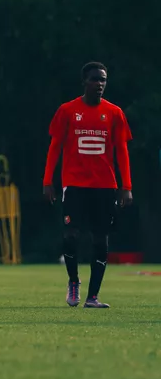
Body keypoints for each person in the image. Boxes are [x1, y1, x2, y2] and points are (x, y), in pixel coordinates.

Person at [43, 62, 132, 309]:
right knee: (71, 236)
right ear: (84, 82)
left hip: (104, 186)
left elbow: (122, 151)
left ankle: (93, 297)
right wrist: (47, 181)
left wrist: (127, 186)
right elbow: (55, 147)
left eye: (103, 79)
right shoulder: (68, 111)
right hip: (75, 184)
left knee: (100, 240)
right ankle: (74, 281)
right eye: (95, 79)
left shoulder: (114, 113)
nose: (100, 84)